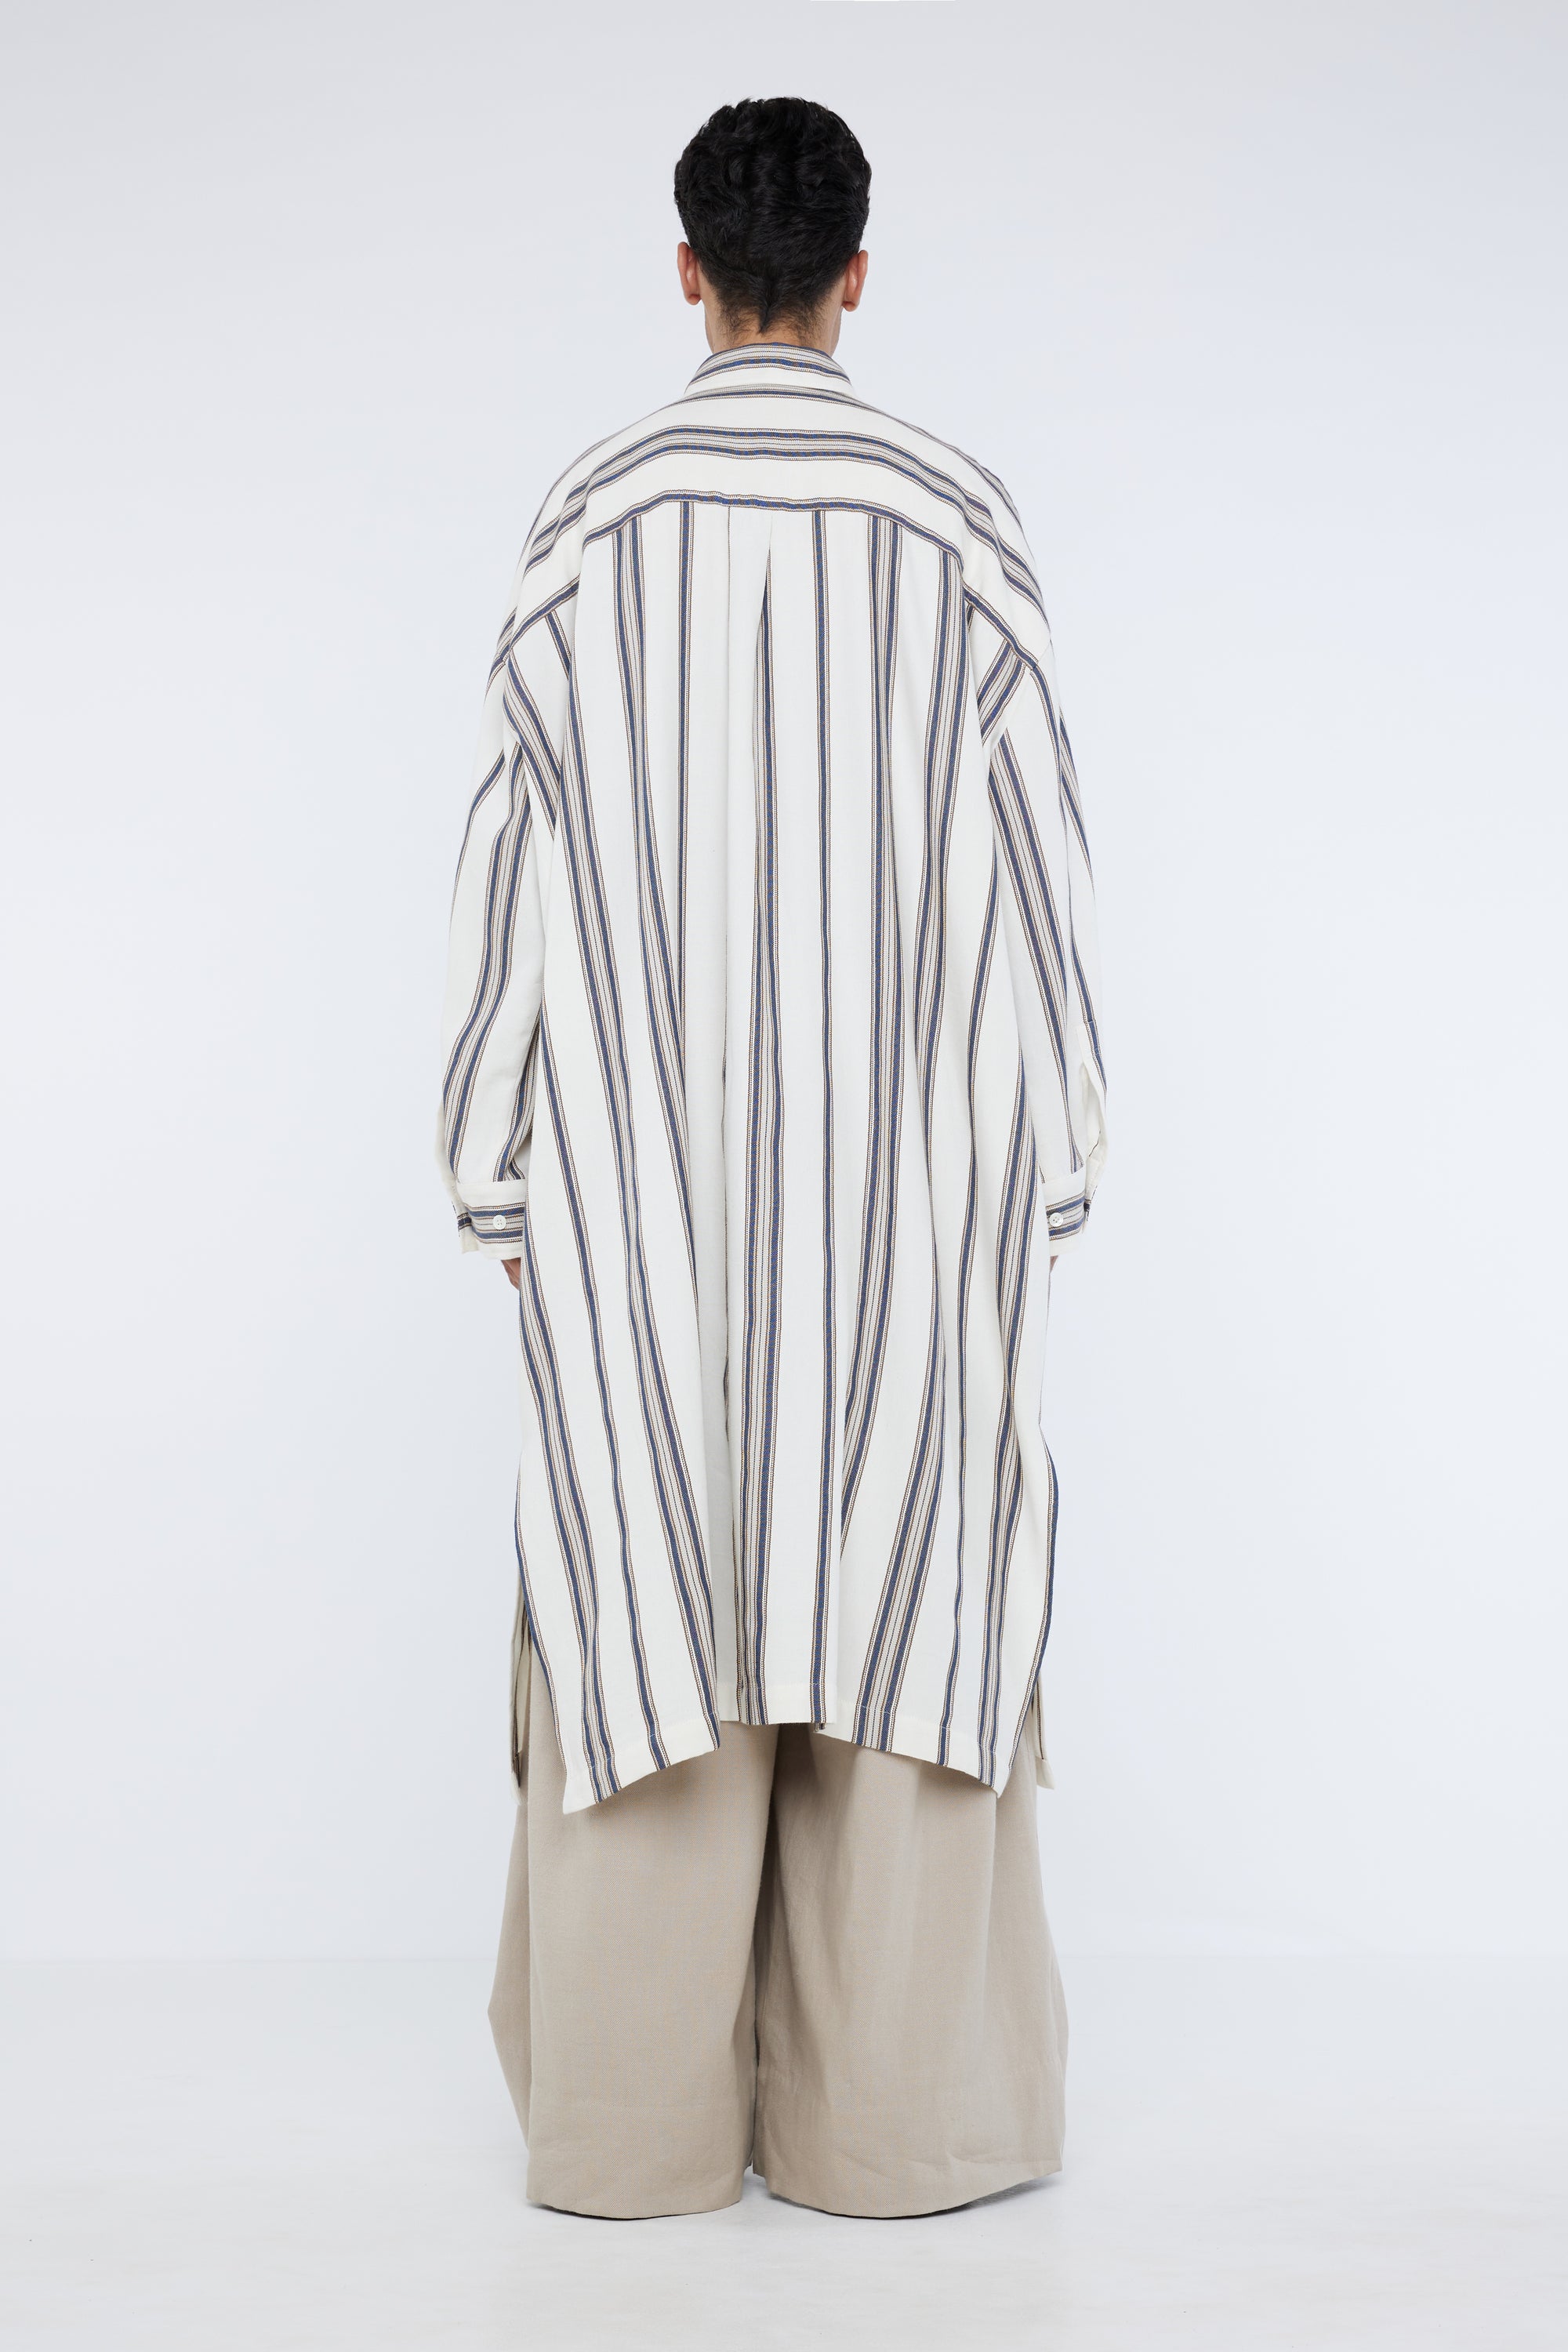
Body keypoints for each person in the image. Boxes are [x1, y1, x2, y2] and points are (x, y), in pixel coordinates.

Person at [436, 94, 1107, 2220]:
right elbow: (1044, 889)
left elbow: (508, 865)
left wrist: (497, 1172)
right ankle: (891, 2136)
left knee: (653, 1587)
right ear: (855, 276)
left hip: (637, 1211)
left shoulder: (586, 523)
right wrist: (1052, 1175)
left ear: (690, 270)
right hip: (909, 1210)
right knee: (893, 1588)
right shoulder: (960, 522)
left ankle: (630, 2140)